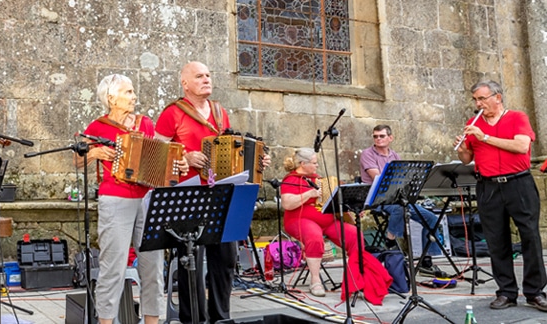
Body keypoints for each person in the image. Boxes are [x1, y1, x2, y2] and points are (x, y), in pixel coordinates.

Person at [155, 61, 270, 323]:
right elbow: (156, 152)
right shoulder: (173, 113)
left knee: (226, 259)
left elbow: (229, 151)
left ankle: (221, 317)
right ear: (185, 83)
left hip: (221, 193)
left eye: (208, 74)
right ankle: (193, 319)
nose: (206, 79)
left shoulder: (219, 112)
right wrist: (184, 154)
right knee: (190, 262)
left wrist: (254, 160)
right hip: (189, 195)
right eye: (199, 76)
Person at [81, 74, 187, 324]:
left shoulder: (145, 124)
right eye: (128, 92)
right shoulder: (97, 127)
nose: (134, 96)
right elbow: (77, 160)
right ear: (111, 98)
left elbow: (158, 159)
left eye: (132, 92)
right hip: (115, 199)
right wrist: (94, 152)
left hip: (147, 198)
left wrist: (177, 164)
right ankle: (106, 321)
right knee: (113, 268)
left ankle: (152, 321)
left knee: (152, 267)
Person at [456, 80, 547, 311]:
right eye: (475, 100)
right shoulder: (473, 123)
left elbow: (521, 147)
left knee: (530, 237)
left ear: (497, 97)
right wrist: (462, 149)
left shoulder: (517, 118)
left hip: (518, 183)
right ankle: (506, 292)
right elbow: (467, 160)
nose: (478, 104)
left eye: (482, 99)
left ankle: (535, 291)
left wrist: (484, 137)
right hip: (488, 186)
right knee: (496, 241)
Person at [359, 124, 444, 274]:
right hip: (377, 200)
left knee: (431, 218)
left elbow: (402, 179)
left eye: (382, 136)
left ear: (390, 138)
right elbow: (378, 178)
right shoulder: (368, 154)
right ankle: (390, 241)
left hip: (397, 198)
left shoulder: (395, 156)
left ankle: (426, 259)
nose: (378, 139)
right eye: (375, 136)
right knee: (400, 208)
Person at [280, 148, 359, 297]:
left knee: (355, 235)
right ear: (303, 163)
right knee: (314, 237)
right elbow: (287, 204)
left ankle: (355, 278)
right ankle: (315, 280)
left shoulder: (318, 179)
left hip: (328, 221)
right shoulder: (291, 180)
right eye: (314, 163)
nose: (317, 166)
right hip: (299, 220)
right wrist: (309, 193)